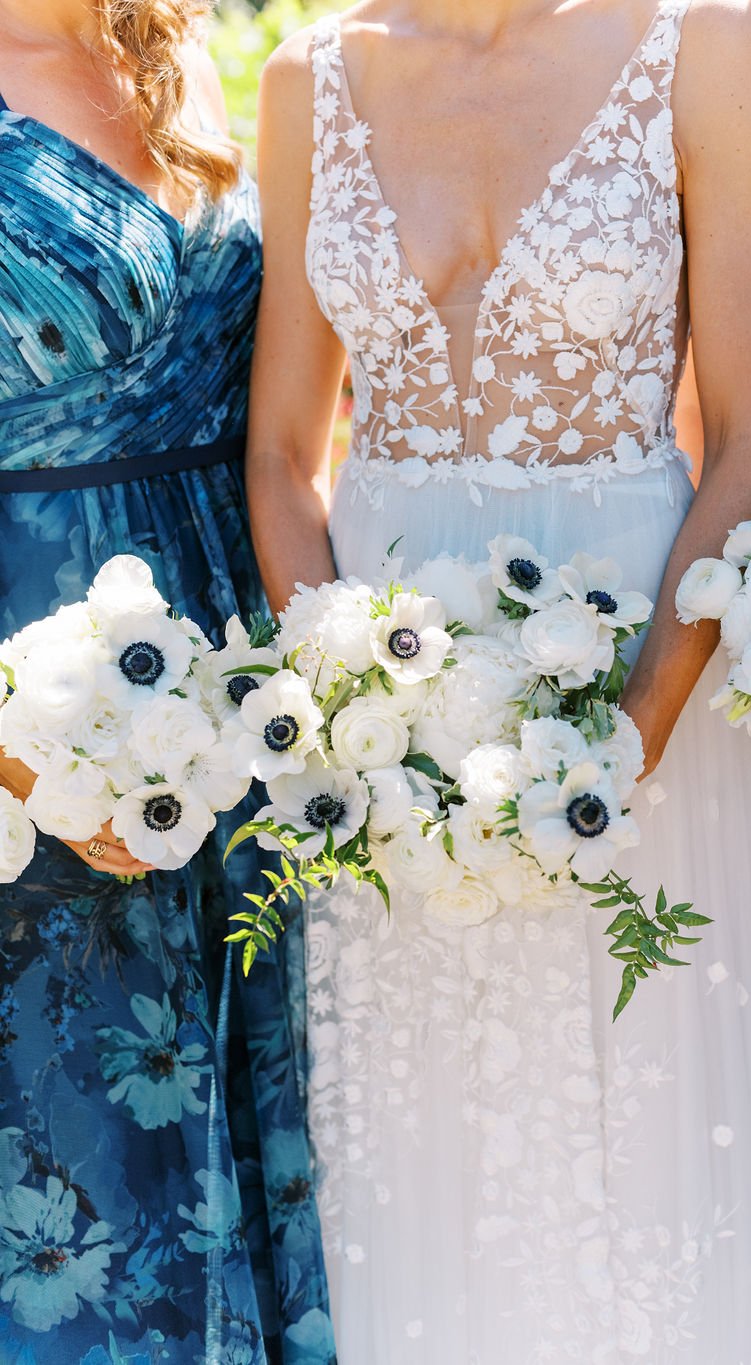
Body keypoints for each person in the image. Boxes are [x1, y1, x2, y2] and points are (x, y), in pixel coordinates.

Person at [250, 0, 751, 1359]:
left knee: (643, 1137)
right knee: (421, 1139)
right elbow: (281, 450)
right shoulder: (308, 76)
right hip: (390, 725)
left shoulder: (703, 38)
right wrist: (355, 715)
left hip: (645, 684)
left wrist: (623, 747)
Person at [0, 1, 334, 1359]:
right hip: (42, 713)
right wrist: (28, 751)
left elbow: (284, 418)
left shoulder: (170, 54)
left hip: (225, 695)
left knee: (232, 1122)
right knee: (75, 1179)